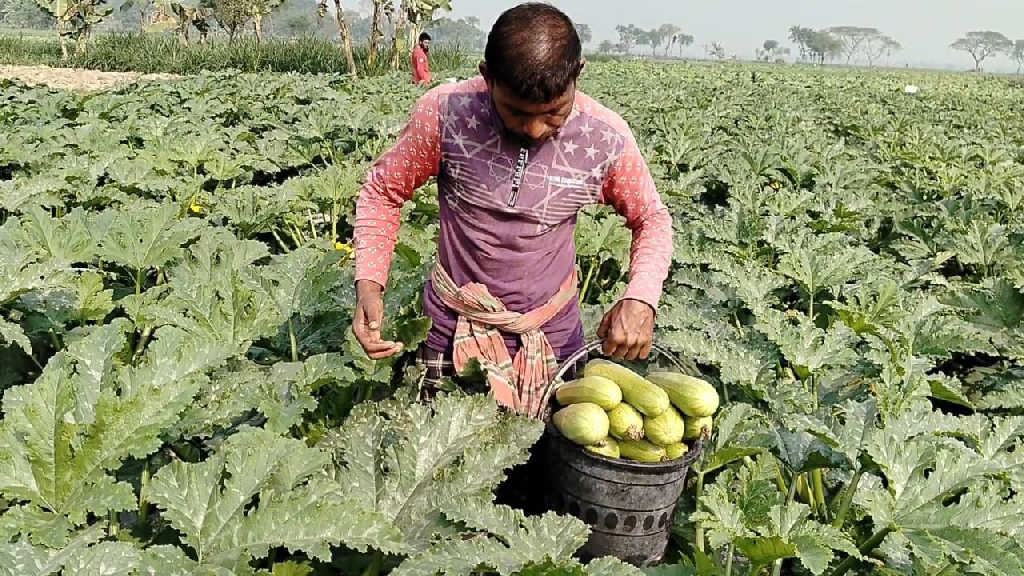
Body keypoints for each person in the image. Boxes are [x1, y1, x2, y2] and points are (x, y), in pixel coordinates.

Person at [353, 2, 673, 418]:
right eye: (518, 113)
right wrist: (369, 283)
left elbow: (651, 218)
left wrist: (641, 299)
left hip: (553, 342)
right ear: (487, 78)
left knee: (543, 474)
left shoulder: (604, 137)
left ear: (578, 74)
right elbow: (383, 190)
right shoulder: (445, 113)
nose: (536, 129)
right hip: (450, 338)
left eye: (554, 112)